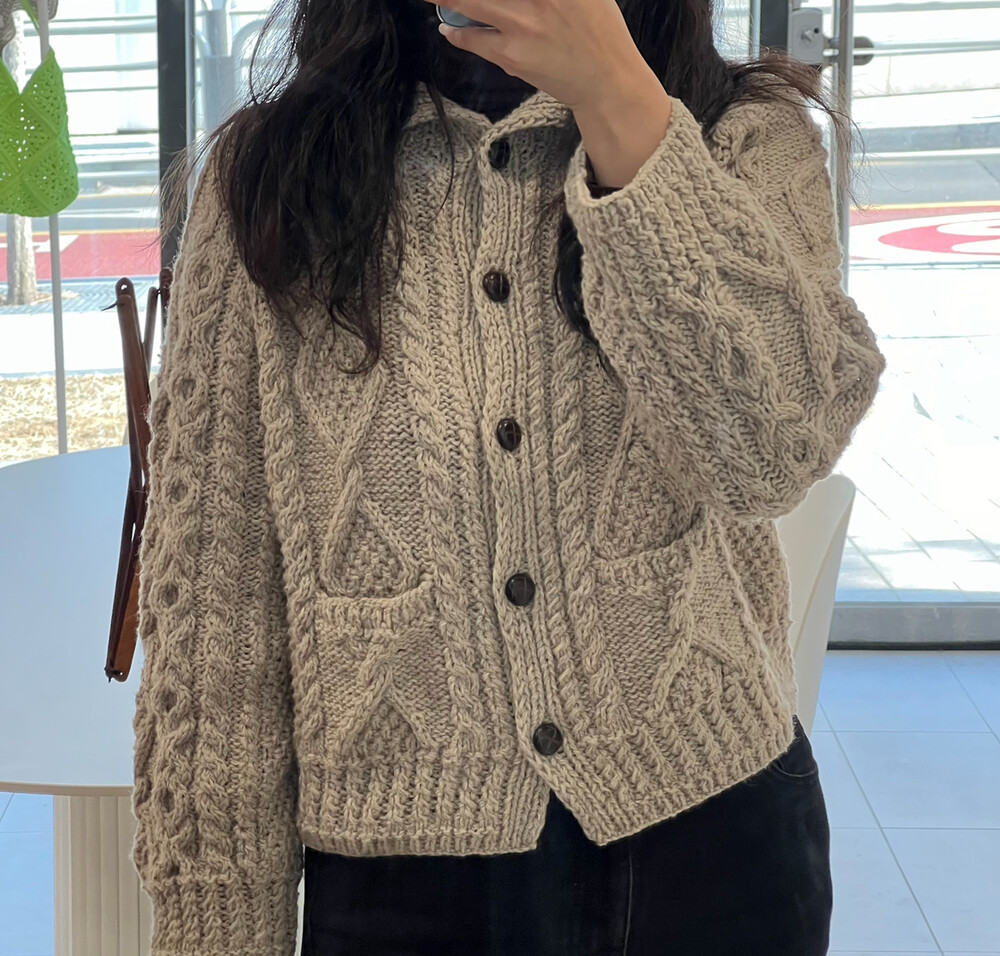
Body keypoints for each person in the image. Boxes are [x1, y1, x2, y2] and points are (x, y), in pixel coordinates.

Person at [130, 0, 885, 953]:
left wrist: (619, 104)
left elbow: (774, 451)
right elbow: (212, 601)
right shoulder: (273, 175)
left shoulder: (743, 136)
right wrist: (215, 922)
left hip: (714, 847)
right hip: (398, 886)